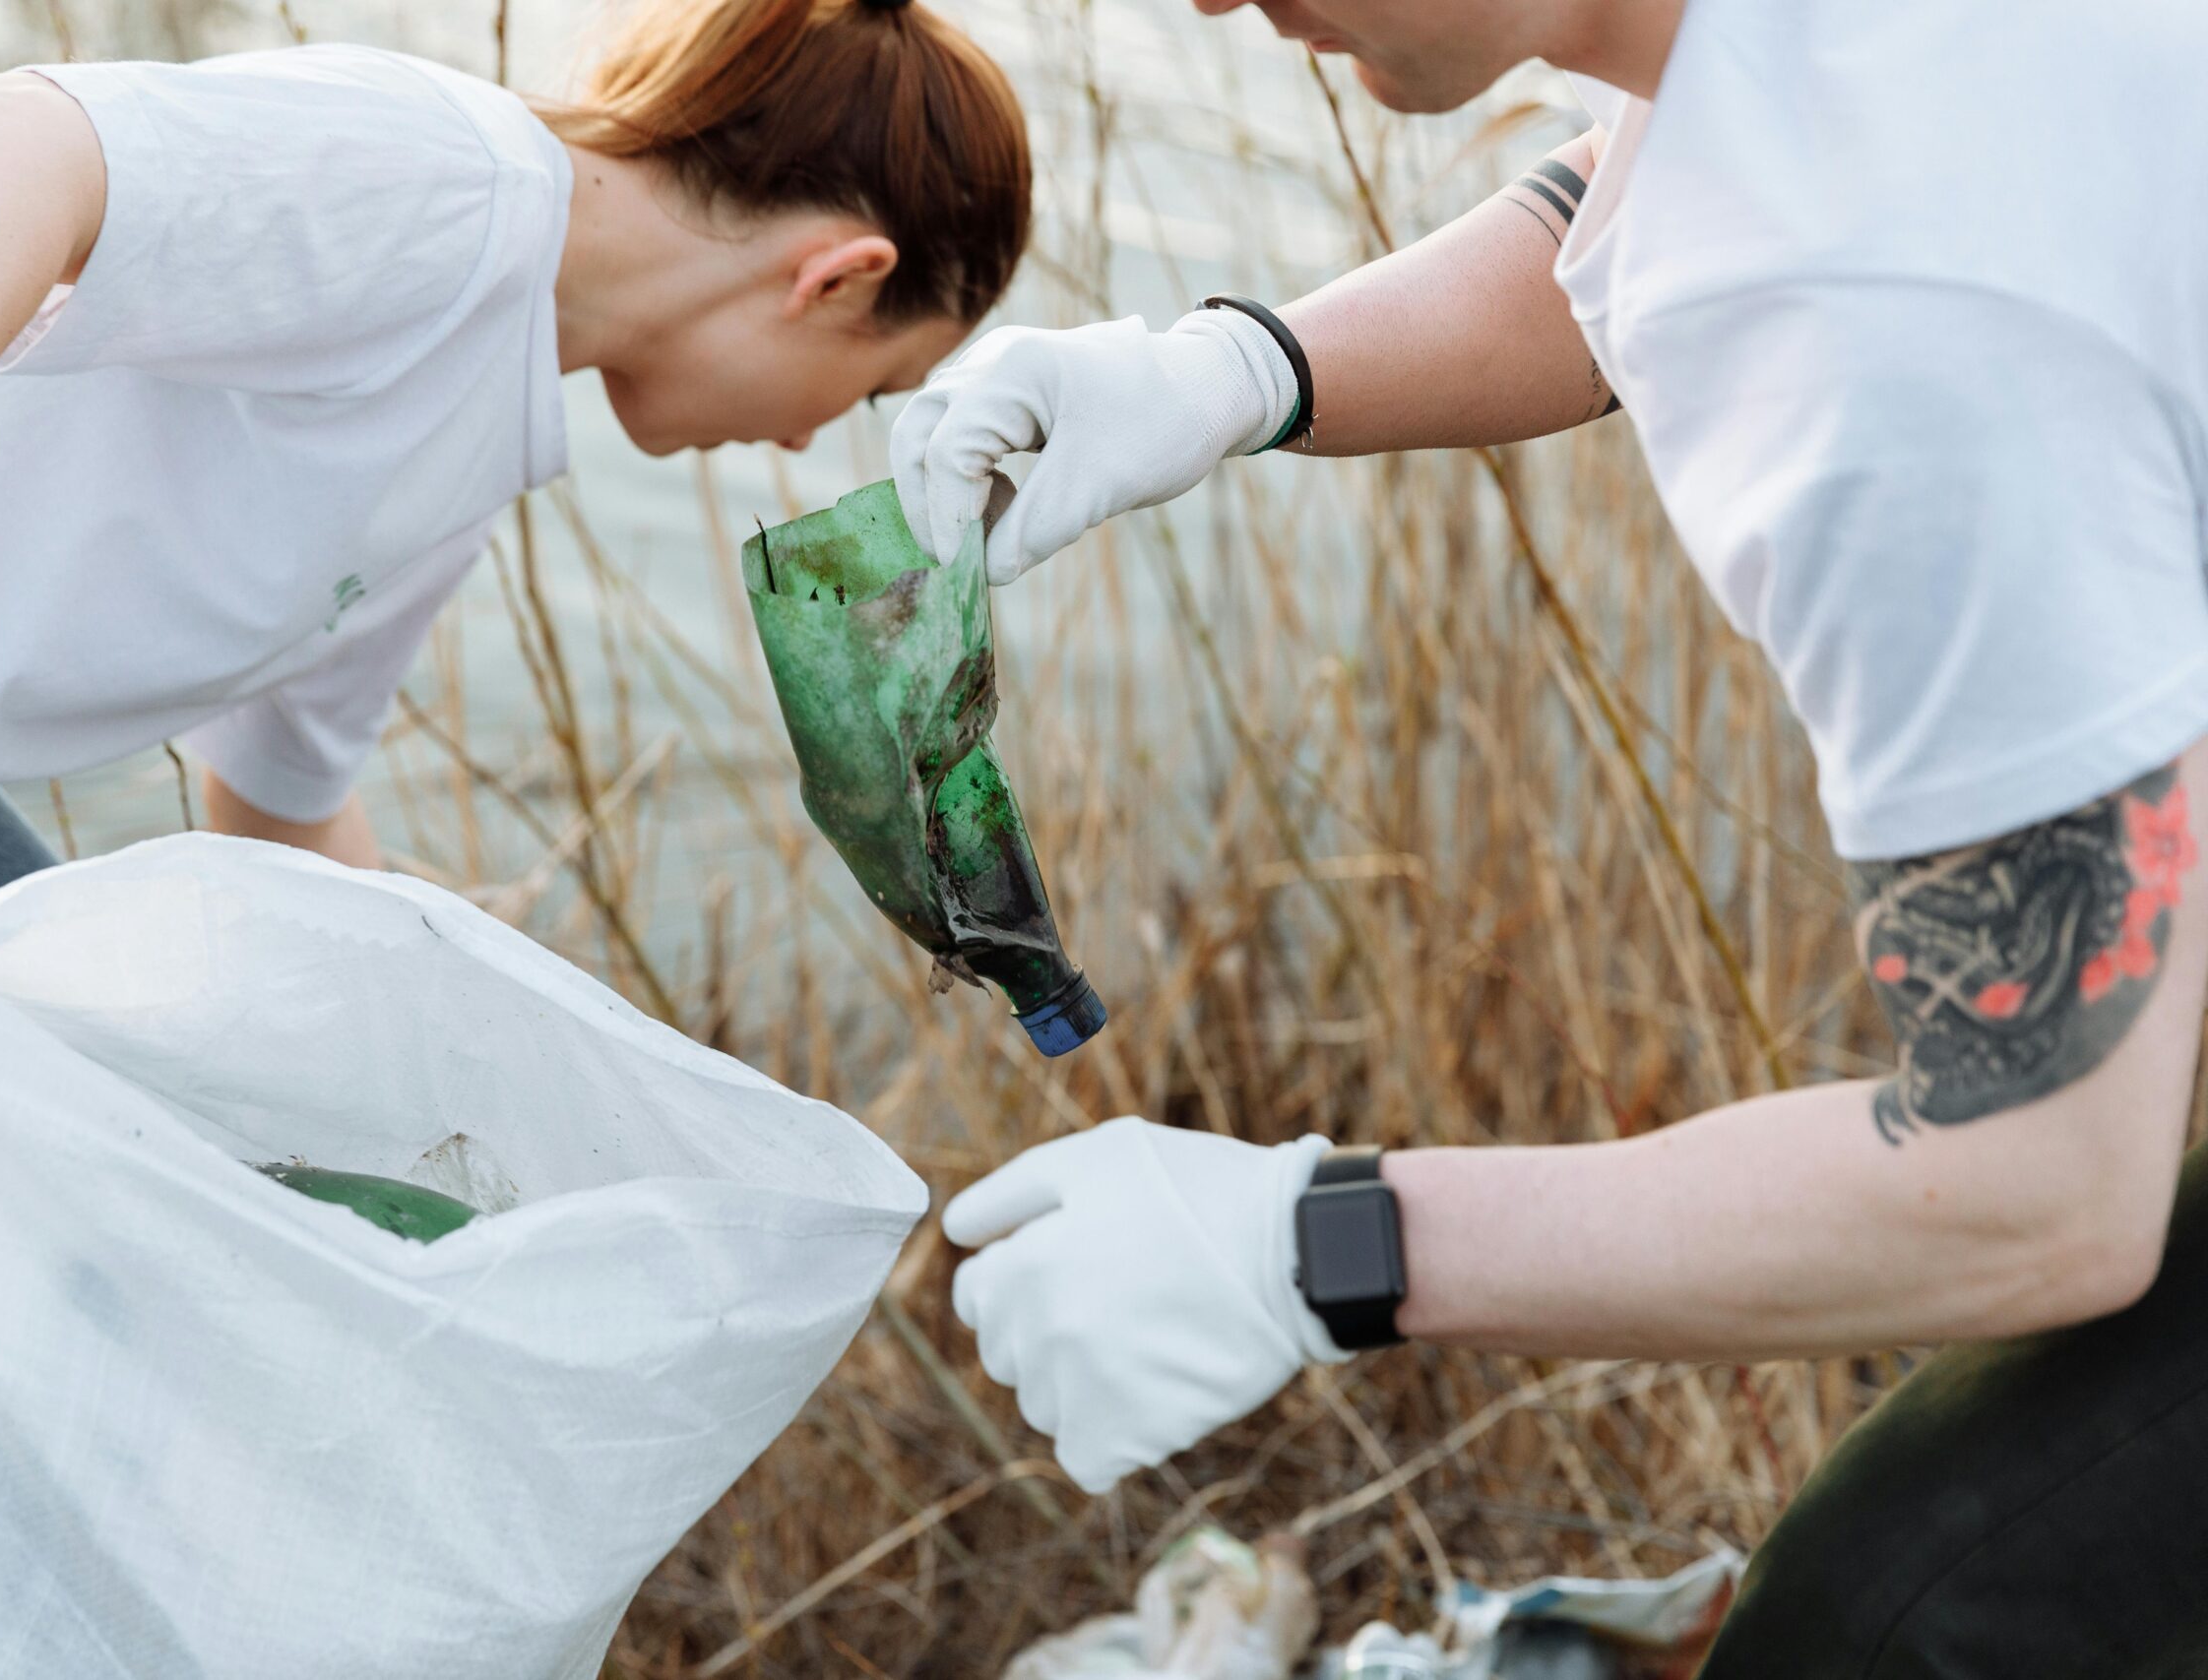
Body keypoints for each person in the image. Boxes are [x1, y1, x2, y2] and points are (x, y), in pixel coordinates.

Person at [902, 0, 2208, 1671]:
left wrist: (1316, 1247)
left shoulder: (1900, 326)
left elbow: (2039, 1186)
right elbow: (1670, 189)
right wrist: (1235, 370)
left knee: (1896, 1611)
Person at [0, 0, 1031, 1306]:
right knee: (43, 1289)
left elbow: (278, 798)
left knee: (138, 1247)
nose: (811, 441)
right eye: (872, 390)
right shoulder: (448, 187)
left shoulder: (476, 428)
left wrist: (467, 1075)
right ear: (838, 277)